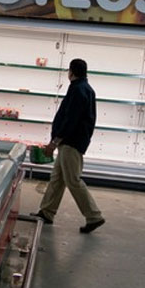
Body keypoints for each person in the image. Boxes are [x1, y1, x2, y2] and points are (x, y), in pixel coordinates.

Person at [34, 58, 105, 233]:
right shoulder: (85, 89)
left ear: (71, 72)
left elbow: (70, 119)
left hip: (71, 142)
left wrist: (54, 142)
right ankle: (47, 212)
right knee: (57, 178)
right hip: (72, 141)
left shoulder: (78, 90)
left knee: (73, 180)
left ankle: (94, 216)